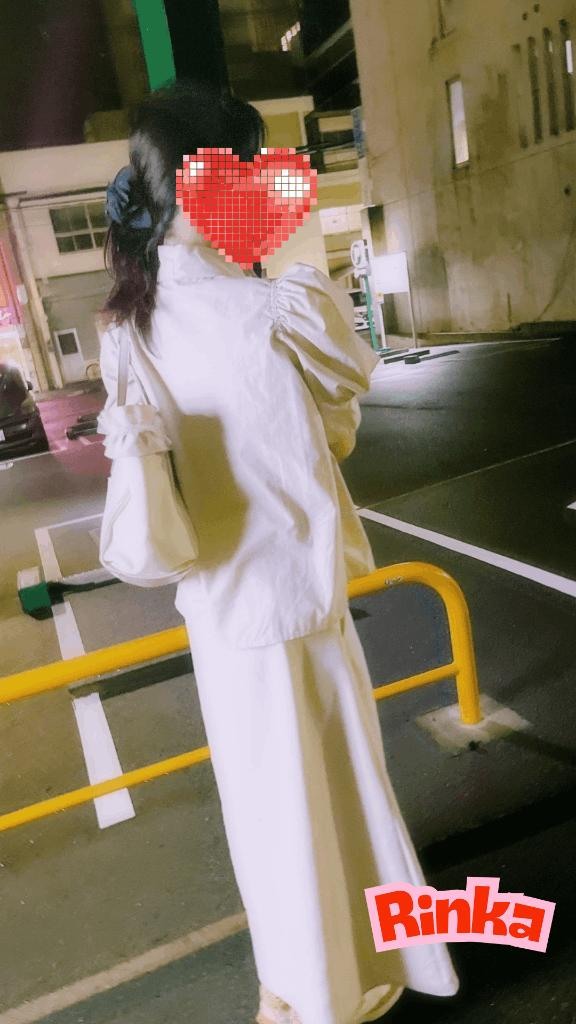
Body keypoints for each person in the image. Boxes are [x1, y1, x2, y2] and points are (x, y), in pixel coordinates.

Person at [98, 79, 459, 1024]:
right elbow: (333, 435)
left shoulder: (128, 327)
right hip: (300, 598)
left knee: (267, 810)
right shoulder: (275, 310)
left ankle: (298, 988)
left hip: (222, 615)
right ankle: (365, 971)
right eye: (249, 166)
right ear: (209, 181)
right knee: (341, 789)